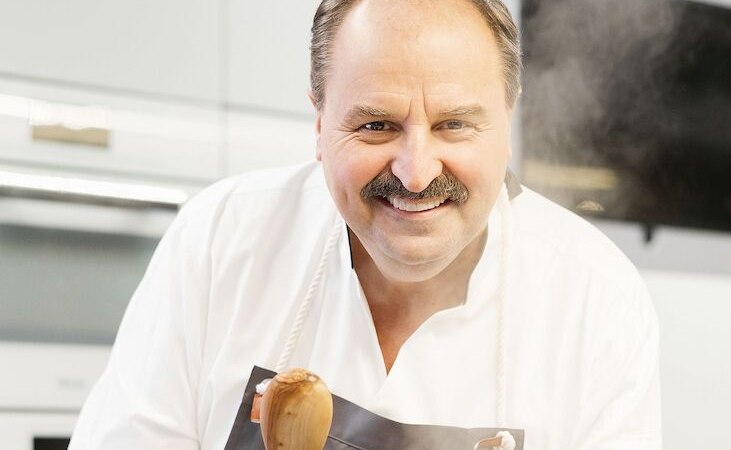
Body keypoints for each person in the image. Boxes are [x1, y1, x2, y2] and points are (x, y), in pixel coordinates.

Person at [69, 0, 661, 449]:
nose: (415, 172)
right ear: (319, 121)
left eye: (455, 124)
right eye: (377, 125)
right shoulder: (221, 238)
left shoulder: (595, 295)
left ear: (507, 120)